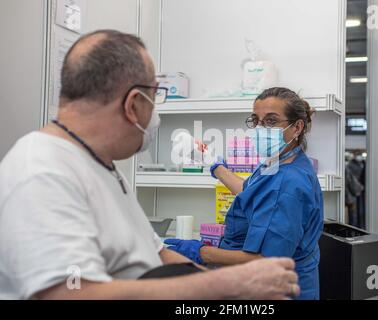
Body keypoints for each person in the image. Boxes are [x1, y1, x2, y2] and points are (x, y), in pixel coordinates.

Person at [0, 30, 299, 300]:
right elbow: (71, 292)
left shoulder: (99, 165)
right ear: (132, 105)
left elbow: (155, 252)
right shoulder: (43, 171)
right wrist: (225, 285)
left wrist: (221, 286)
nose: (155, 113)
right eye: (155, 97)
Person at [165, 88, 324, 300]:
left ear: (297, 127)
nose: (260, 128)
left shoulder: (288, 182)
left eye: (270, 121)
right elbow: (250, 192)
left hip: (280, 290)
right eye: (256, 120)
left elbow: (266, 259)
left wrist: (202, 253)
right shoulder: (280, 161)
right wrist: (213, 163)